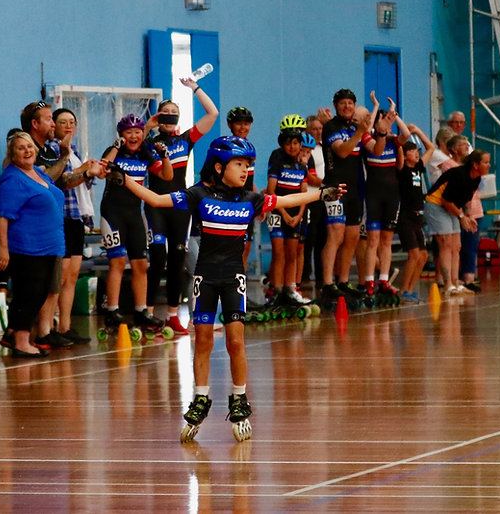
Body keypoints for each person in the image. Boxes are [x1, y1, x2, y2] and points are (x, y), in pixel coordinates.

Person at [114, 135, 343, 442]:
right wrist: (124, 178)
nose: (246, 170)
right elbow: (156, 200)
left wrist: (321, 194)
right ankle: (200, 397)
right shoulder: (198, 194)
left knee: (236, 340)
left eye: (248, 165)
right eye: (239, 164)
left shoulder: (252, 199)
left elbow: (288, 200)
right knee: (204, 340)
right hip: (204, 277)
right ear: (219, 167)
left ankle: (238, 397)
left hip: (233, 277)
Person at [144, 77, 219, 336]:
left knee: (177, 260)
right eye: (165, 113)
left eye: (174, 113)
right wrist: (148, 126)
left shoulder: (186, 139)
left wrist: (194, 88)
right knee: (157, 258)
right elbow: (132, 142)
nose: (170, 116)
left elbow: (213, 113)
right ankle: (149, 314)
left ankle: (174, 316)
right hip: (155, 205)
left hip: (180, 206)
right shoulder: (150, 142)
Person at [0, 132, 70, 357]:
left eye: (29, 146)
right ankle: (21, 341)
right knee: (29, 293)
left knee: (39, 294)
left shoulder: (37, 172)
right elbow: (2, 215)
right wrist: (4, 249)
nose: (27, 150)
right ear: (12, 154)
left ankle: (13, 334)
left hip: (49, 244)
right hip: (27, 246)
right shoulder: (12, 179)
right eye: (20, 148)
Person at [99, 114, 172, 332]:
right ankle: (112, 310)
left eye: (138, 132)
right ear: (121, 135)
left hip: (134, 214)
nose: (134, 136)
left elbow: (166, 176)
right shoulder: (115, 152)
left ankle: (141, 311)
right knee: (118, 262)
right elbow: (103, 170)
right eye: (128, 132)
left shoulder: (144, 153)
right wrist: (115, 146)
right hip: (112, 213)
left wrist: (164, 156)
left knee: (141, 264)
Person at [45, 108, 105, 344]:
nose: (68, 126)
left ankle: (66, 326)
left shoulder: (76, 152)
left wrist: (90, 172)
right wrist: (83, 171)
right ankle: (48, 325)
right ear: (54, 126)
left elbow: (81, 184)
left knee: (71, 277)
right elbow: (60, 182)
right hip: (60, 217)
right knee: (58, 278)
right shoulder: (52, 151)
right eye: (63, 122)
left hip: (77, 218)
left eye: (72, 122)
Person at [317, 89, 375, 305]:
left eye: (350, 103)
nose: (347, 107)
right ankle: (327, 283)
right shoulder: (331, 126)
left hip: (356, 188)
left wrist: (380, 133)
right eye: (343, 103)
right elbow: (342, 152)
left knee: (351, 237)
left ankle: (343, 281)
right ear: (335, 105)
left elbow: (375, 151)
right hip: (335, 187)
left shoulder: (356, 127)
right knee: (335, 235)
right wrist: (359, 133)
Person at [360, 96, 410, 302]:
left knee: (387, 241)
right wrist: (376, 109)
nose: (387, 126)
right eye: (384, 123)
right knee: (373, 241)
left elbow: (406, 134)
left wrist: (394, 116)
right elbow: (367, 130)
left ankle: (384, 280)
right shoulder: (368, 140)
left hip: (392, 196)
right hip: (373, 194)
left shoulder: (393, 141)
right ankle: (369, 280)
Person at [425, 149, 491, 296]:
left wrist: (469, 216)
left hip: (452, 207)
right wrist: (461, 217)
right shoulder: (459, 175)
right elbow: (446, 200)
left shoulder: (476, 178)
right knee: (446, 243)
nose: (489, 165)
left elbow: (467, 199)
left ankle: (456, 283)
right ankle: (447, 284)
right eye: (486, 162)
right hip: (436, 204)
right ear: (475, 165)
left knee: (456, 246)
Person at [265, 120, 312, 305]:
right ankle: (275, 291)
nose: (292, 147)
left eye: (295, 143)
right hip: (277, 211)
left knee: (292, 253)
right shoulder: (277, 162)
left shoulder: (302, 167)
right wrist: (283, 213)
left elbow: (304, 193)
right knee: (279, 253)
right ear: (282, 145)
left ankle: (290, 289)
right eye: (288, 143)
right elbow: (271, 191)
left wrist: (299, 215)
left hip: (295, 214)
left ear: (300, 145)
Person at [395, 125, 435, 302]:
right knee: (414, 254)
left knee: (424, 255)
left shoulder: (418, 167)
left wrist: (418, 131)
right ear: (405, 154)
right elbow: (399, 152)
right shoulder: (403, 170)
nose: (416, 154)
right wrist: (403, 142)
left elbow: (431, 148)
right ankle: (403, 290)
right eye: (411, 151)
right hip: (406, 216)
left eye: (416, 151)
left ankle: (410, 288)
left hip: (418, 217)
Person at [226, 107, 258, 267]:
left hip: (247, 205)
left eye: (247, 124)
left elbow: (249, 180)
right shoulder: (225, 147)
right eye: (239, 123)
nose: (243, 127)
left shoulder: (250, 148)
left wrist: (259, 202)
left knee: (246, 247)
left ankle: (239, 288)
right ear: (229, 124)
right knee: (229, 249)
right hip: (229, 205)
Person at [301, 113, 327, 286]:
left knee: (322, 239)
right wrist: (327, 183)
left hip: (324, 198)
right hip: (310, 196)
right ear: (307, 131)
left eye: (320, 129)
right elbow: (309, 176)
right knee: (308, 239)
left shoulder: (326, 148)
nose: (318, 132)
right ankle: (303, 277)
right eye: (314, 129)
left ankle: (320, 277)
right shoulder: (306, 151)